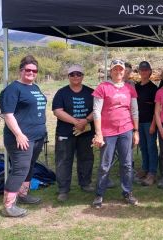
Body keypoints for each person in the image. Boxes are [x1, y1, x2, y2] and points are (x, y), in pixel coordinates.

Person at [0, 55, 47, 217]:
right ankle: (8, 206)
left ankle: (23, 194)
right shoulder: (13, 89)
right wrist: (19, 134)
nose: (31, 73)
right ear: (21, 70)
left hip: (37, 136)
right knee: (20, 169)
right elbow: (8, 114)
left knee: (30, 166)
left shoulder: (35, 87)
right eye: (28, 70)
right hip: (20, 138)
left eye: (34, 70)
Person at [91, 59, 140, 208]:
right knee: (105, 164)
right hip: (108, 131)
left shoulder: (129, 88)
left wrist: (136, 131)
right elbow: (96, 111)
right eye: (115, 69)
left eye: (121, 69)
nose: (118, 72)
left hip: (126, 130)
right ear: (110, 71)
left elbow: (134, 110)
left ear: (124, 72)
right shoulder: (103, 87)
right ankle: (99, 194)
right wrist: (98, 133)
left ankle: (127, 192)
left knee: (126, 164)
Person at [52, 64, 95, 202]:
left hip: (86, 132)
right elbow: (57, 111)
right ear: (68, 76)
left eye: (78, 74)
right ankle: (63, 189)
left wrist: (86, 120)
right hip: (65, 133)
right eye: (72, 74)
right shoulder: (61, 92)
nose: (76, 76)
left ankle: (85, 183)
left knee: (86, 158)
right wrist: (76, 122)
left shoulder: (91, 92)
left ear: (83, 76)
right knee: (64, 160)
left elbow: (98, 109)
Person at [134, 61, 159, 186]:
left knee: (151, 147)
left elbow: (157, 109)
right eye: (141, 70)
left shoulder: (154, 88)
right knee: (143, 147)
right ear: (139, 72)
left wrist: (154, 124)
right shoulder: (136, 86)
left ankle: (152, 172)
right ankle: (145, 168)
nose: (144, 72)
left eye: (146, 70)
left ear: (150, 71)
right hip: (138, 122)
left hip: (149, 122)